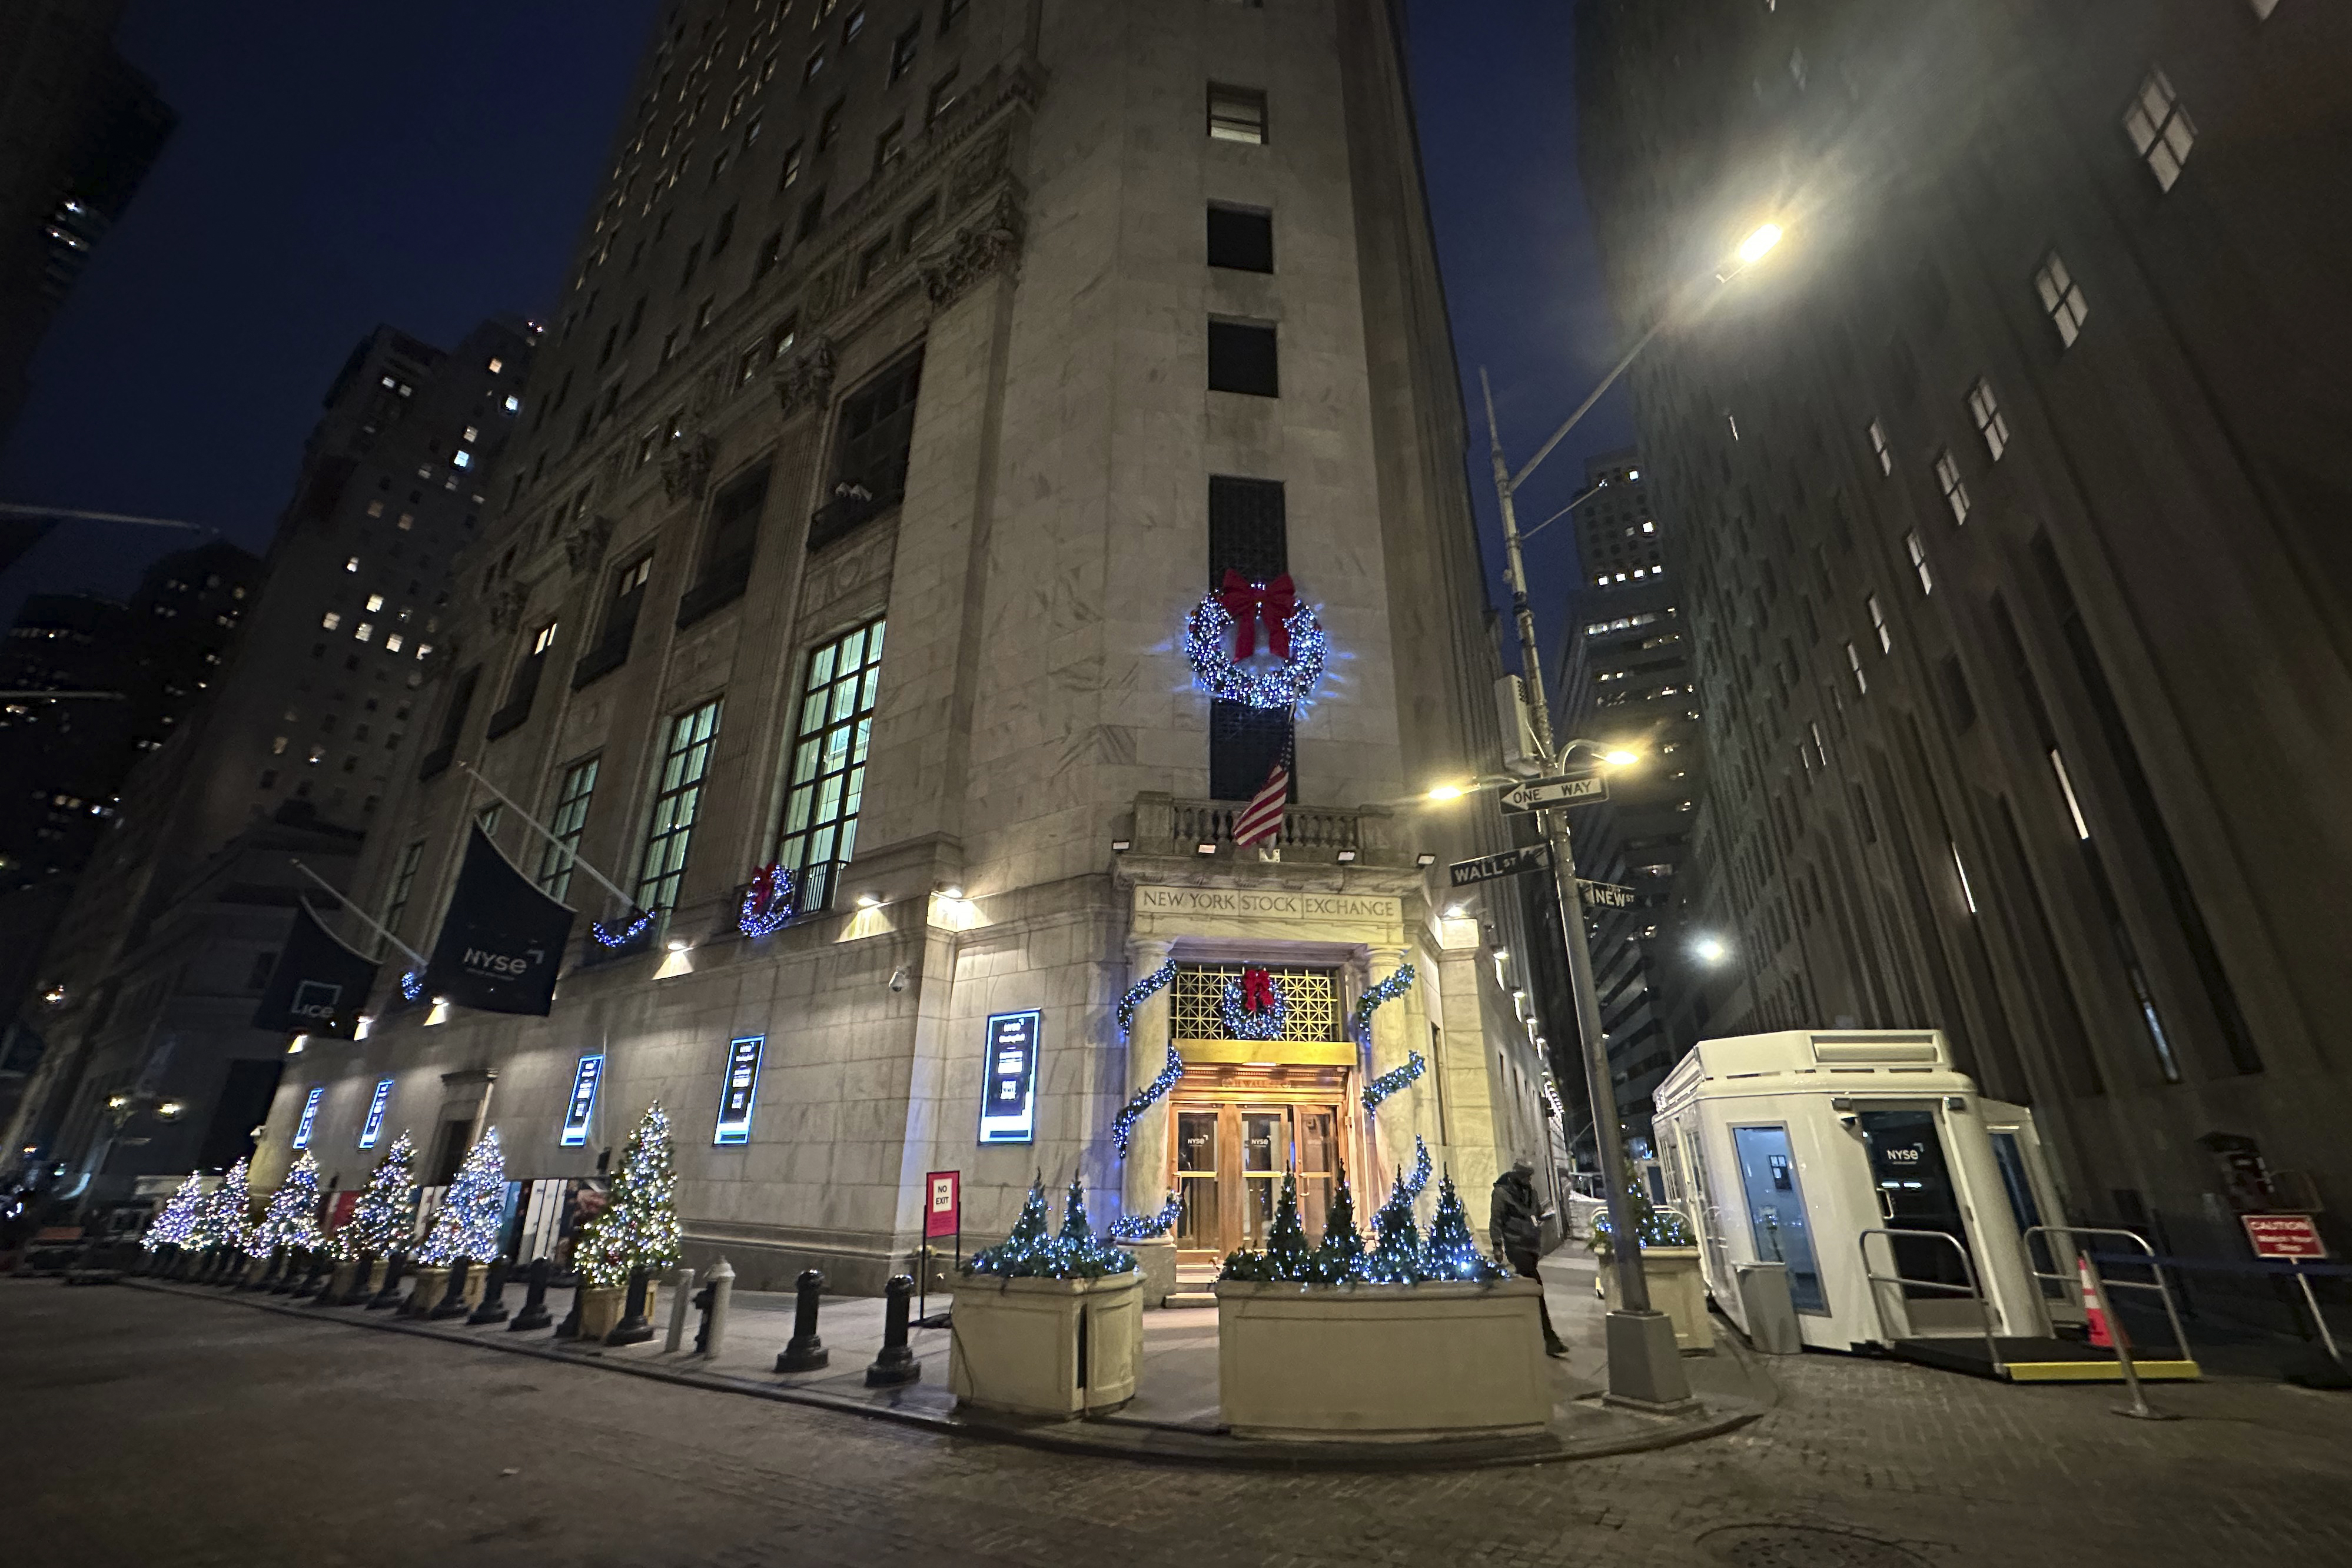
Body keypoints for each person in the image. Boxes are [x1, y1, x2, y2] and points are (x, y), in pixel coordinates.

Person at [1491, 1158, 1569, 1357]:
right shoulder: (1502, 1193)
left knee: (1527, 1291)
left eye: (1530, 1176)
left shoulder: (1530, 1192)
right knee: (1536, 1288)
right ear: (1517, 1175)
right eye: (1526, 1176)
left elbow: (1537, 1212)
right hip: (1516, 1246)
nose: (1529, 1179)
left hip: (1532, 1246)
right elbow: (1496, 1220)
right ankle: (1549, 1337)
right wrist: (1497, 1245)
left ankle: (1520, 1332)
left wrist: (1544, 1217)